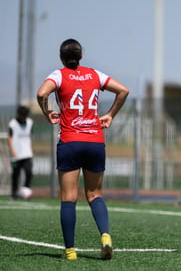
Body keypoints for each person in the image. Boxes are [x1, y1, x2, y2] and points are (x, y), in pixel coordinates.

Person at [37, 38, 129, 260]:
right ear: (81, 57)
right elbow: (123, 90)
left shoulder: (59, 75)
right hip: (95, 141)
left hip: (70, 141)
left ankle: (70, 251)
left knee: (69, 197)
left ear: (61, 57)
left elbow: (42, 94)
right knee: (95, 194)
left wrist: (47, 111)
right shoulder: (95, 75)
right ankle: (105, 236)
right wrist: (110, 115)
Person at [7, 105, 34, 199]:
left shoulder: (30, 123)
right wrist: (12, 151)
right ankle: (14, 193)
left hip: (27, 154)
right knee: (15, 174)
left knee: (29, 172)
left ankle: (26, 192)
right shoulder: (13, 124)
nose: (24, 118)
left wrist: (30, 149)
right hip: (15, 155)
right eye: (22, 116)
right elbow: (9, 138)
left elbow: (29, 137)